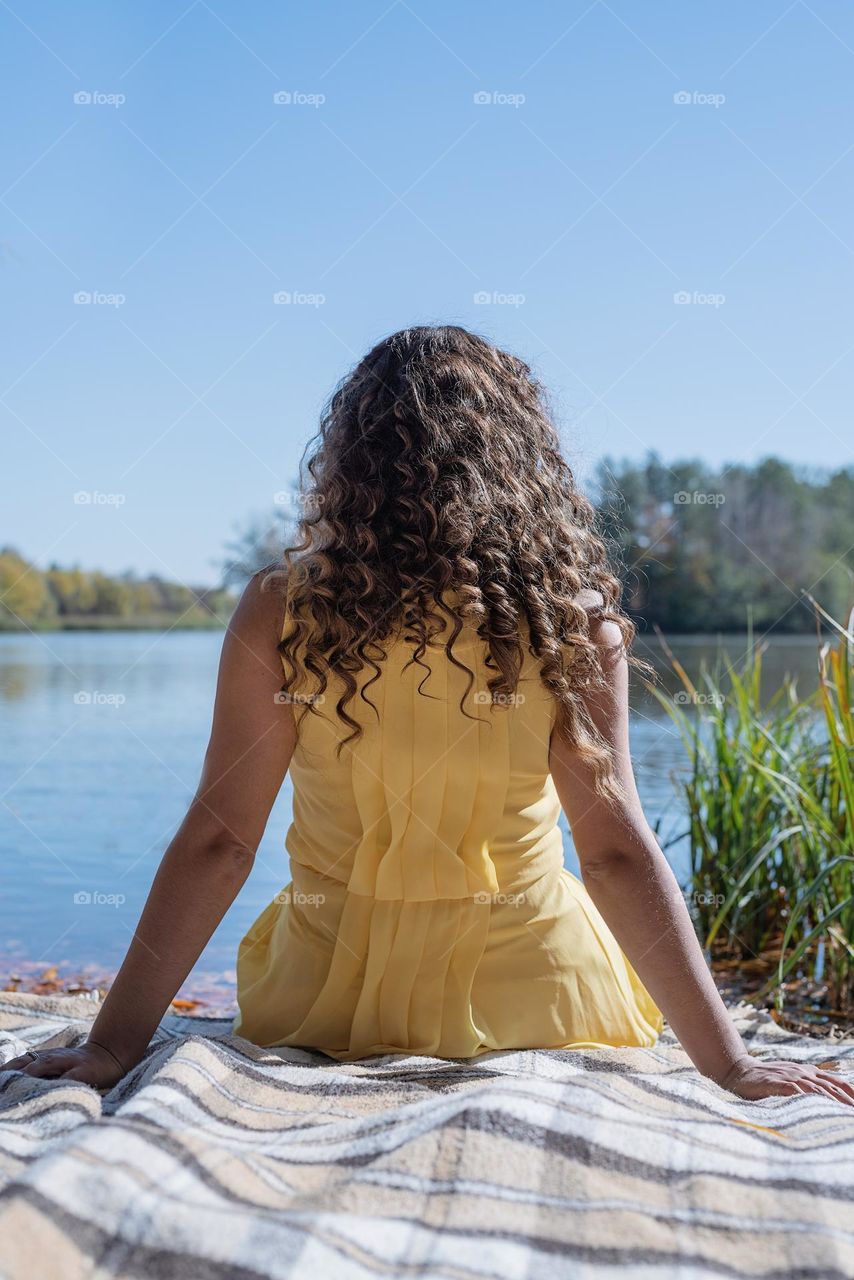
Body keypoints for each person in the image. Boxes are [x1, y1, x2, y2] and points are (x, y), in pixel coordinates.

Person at [4, 326, 852, 1105]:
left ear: (349, 464)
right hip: (537, 993)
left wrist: (114, 1046)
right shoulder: (568, 620)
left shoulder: (283, 611)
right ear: (522, 466)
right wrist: (730, 1065)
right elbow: (615, 850)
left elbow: (222, 840)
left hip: (327, 1002)